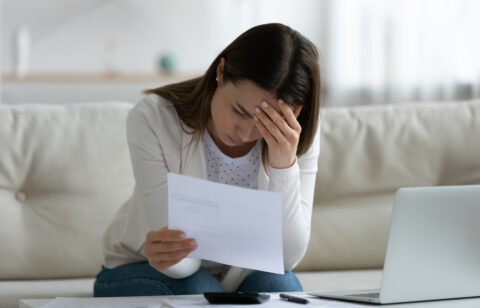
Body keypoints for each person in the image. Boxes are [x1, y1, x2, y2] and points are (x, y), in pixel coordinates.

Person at [94, 23, 322, 297]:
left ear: (294, 113)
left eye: (264, 122)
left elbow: (285, 260)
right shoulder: (153, 118)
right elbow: (184, 264)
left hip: (239, 276)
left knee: (279, 286)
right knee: (199, 288)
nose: (246, 133)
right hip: (143, 267)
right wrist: (168, 255)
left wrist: (284, 165)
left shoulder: (297, 135)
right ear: (221, 71)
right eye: (239, 111)